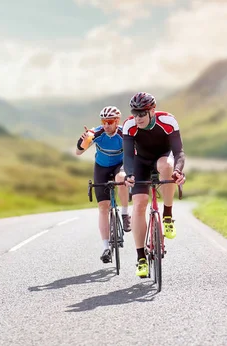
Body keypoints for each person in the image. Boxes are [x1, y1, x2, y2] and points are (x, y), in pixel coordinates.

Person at [122, 92, 186, 278]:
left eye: (142, 113)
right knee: (140, 204)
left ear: (152, 111)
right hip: (140, 162)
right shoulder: (129, 125)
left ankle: (167, 216)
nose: (137, 117)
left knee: (166, 166)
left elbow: (179, 152)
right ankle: (141, 257)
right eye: (134, 113)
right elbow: (127, 155)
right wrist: (130, 174)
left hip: (162, 158)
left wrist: (179, 171)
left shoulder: (168, 121)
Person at [76, 106, 132, 264]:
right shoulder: (96, 133)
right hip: (101, 167)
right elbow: (78, 152)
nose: (106, 125)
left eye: (109, 122)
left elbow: (135, 152)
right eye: (103, 122)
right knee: (103, 208)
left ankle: (125, 214)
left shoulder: (123, 134)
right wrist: (82, 141)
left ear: (117, 121)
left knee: (121, 178)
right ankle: (106, 248)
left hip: (119, 165)